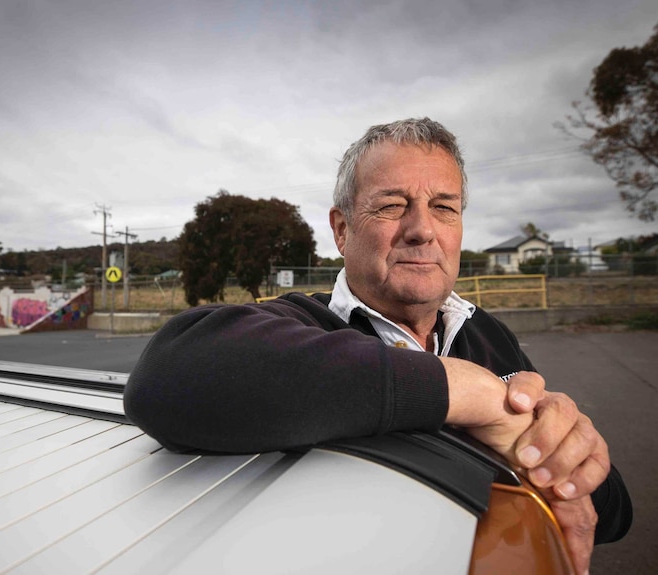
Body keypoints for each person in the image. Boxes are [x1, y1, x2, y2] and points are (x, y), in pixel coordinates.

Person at [124, 118, 631, 574]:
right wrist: (466, 394)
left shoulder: (488, 333)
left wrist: (572, 456)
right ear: (342, 230)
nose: (421, 230)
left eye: (444, 208)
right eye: (392, 206)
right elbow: (169, 373)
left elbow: (613, 516)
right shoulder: (303, 323)